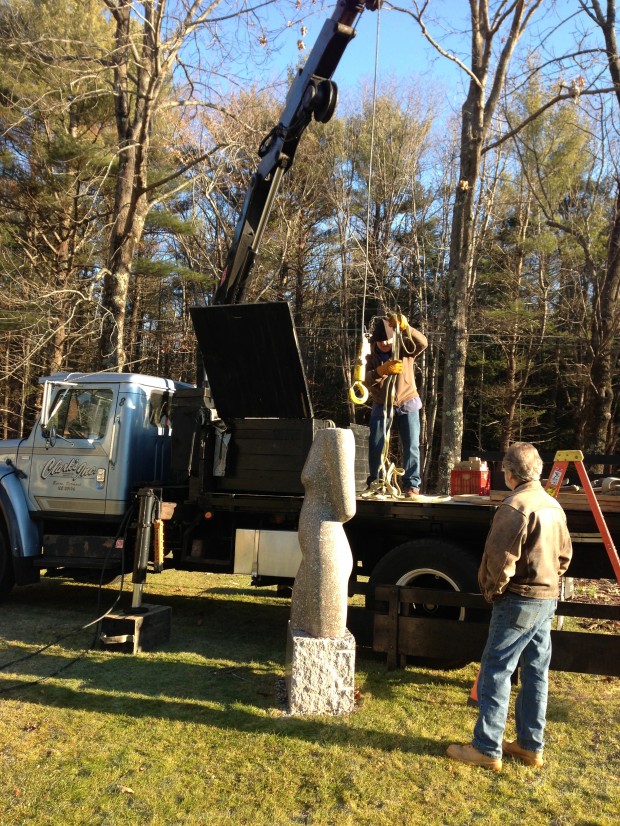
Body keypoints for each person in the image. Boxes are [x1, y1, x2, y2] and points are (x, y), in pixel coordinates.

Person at [447, 442, 573, 771]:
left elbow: (499, 561)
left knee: (496, 673)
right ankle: (530, 747)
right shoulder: (552, 505)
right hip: (546, 600)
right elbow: (564, 558)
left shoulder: (515, 506)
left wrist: (493, 592)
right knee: (535, 674)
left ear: (509, 473)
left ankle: (487, 748)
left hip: (518, 600)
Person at [363, 312, 428, 498]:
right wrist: (380, 371)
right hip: (381, 404)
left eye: (388, 340)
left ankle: (412, 485)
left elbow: (423, 343)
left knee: (411, 446)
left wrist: (407, 328)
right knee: (376, 444)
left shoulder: (405, 348)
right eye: (381, 341)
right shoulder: (368, 358)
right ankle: (376, 483)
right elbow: (364, 381)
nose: (385, 343)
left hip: (408, 402)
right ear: (375, 342)